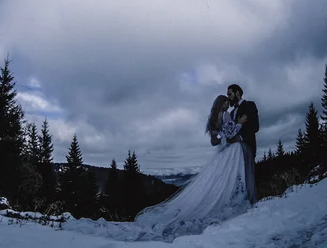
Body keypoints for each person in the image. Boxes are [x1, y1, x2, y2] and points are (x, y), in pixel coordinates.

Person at [60, 94, 256, 242]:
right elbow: (229, 132)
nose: (228, 104)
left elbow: (216, 140)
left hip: (221, 152)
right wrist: (238, 125)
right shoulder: (226, 116)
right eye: (226, 101)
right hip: (230, 150)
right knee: (231, 178)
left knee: (220, 180)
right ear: (221, 103)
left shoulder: (213, 119)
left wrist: (225, 134)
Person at [225, 83, 259, 204]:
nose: (228, 97)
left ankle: (251, 203)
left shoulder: (250, 105)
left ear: (237, 93)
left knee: (247, 176)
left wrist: (239, 137)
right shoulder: (231, 112)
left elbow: (255, 126)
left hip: (247, 147)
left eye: (230, 94)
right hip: (234, 151)